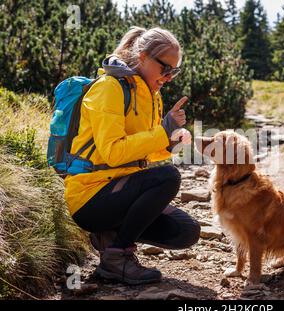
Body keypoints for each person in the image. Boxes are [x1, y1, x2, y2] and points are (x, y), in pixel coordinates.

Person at [64, 26, 200, 285]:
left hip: (121, 191)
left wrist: (169, 142)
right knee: (168, 177)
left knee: (186, 231)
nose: (169, 77)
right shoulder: (110, 88)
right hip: (91, 196)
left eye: (174, 71)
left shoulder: (151, 94)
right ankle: (116, 258)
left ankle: (110, 235)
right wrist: (163, 131)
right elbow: (113, 152)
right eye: (165, 68)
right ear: (143, 58)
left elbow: (141, 154)